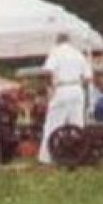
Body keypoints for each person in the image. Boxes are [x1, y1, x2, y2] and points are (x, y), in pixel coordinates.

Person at [38, 33, 93, 164]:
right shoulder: (78, 54)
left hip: (61, 88)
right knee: (77, 124)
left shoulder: (55, 52)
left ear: (57, 41)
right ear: (69, 41)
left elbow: (48, 71)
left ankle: (47, 157)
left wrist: (50, 87)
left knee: (54, 123)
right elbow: (88, 77)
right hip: (77, 89)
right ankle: (77, 153)